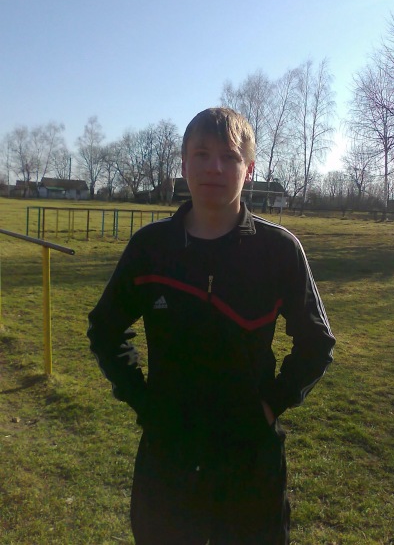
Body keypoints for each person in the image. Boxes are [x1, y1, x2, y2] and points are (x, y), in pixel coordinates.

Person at [87, 107, 335, 545]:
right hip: (167, 456)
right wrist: (143, 401)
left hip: (249, 459)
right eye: (201, 154)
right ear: (184, 165)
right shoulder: (150, 248)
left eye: (230, 156)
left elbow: (316, 342)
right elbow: (105, 329)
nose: (215, 167)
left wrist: (271, 405)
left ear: (250, 169)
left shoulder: (279, 251)